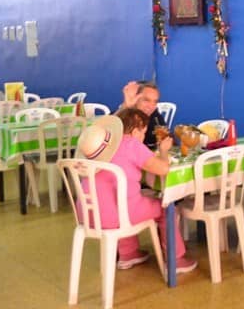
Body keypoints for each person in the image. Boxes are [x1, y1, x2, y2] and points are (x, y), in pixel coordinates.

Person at [76, 110, 197, 272]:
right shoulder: (131, 144)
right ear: (135, 132)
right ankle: (176, 259)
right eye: (143, 133)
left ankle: (129, 253)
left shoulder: (98, 148)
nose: (143, 137)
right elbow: (162, 169)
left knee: (128, 198)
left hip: (86, 215)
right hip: (115, 216)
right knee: (165, 208)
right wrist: (163, 151)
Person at [121, 80, 166, 150]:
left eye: (155, 101)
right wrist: (125, 107)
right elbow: (104, 130)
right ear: (135, 99)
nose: (151, 106)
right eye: (146, 100)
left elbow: (166, 140)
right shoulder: (123, 117)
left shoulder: (156, 117)